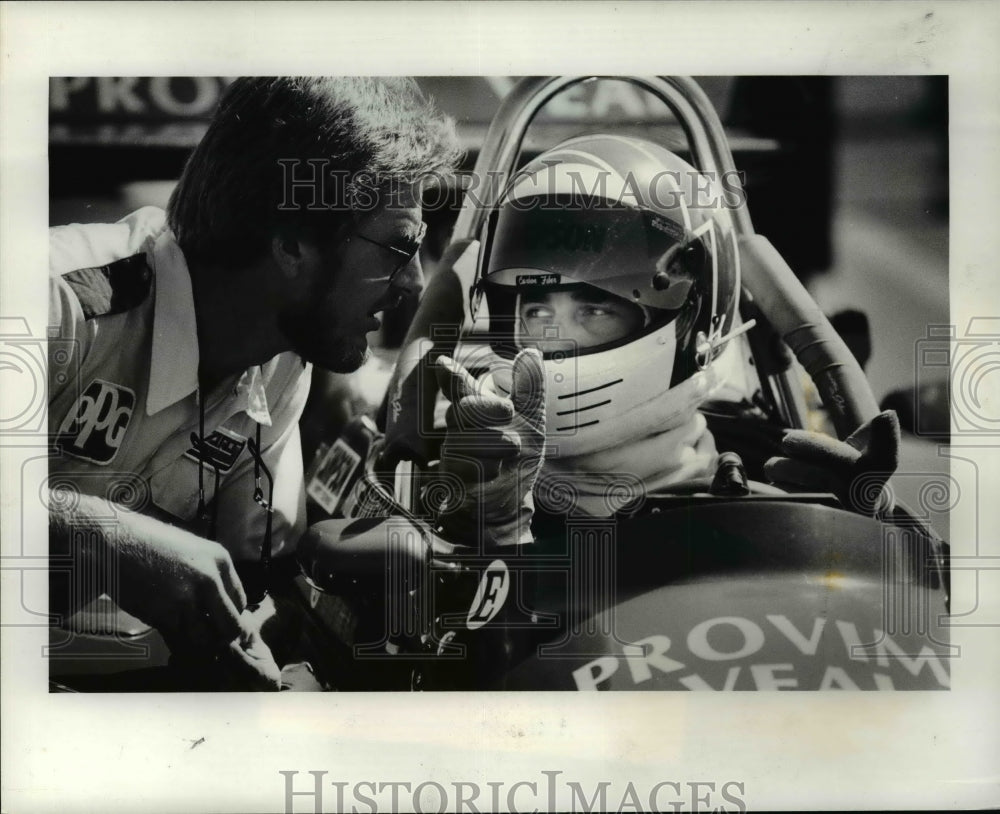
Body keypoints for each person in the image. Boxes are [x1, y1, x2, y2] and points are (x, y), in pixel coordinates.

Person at [48, 76, 461, 688]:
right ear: (292, 244)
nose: (414, 287)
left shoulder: (282, 361)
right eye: (399, 249)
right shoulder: (52, 302)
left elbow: (250, 588)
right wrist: (104, 540)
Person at [389, 134, 900, 549]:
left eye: (593, 309)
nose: (558, 340)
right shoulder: (451, 478)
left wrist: (856, 531)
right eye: (539, 310)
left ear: (691, 321)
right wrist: (480, 527)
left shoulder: (781, 484)